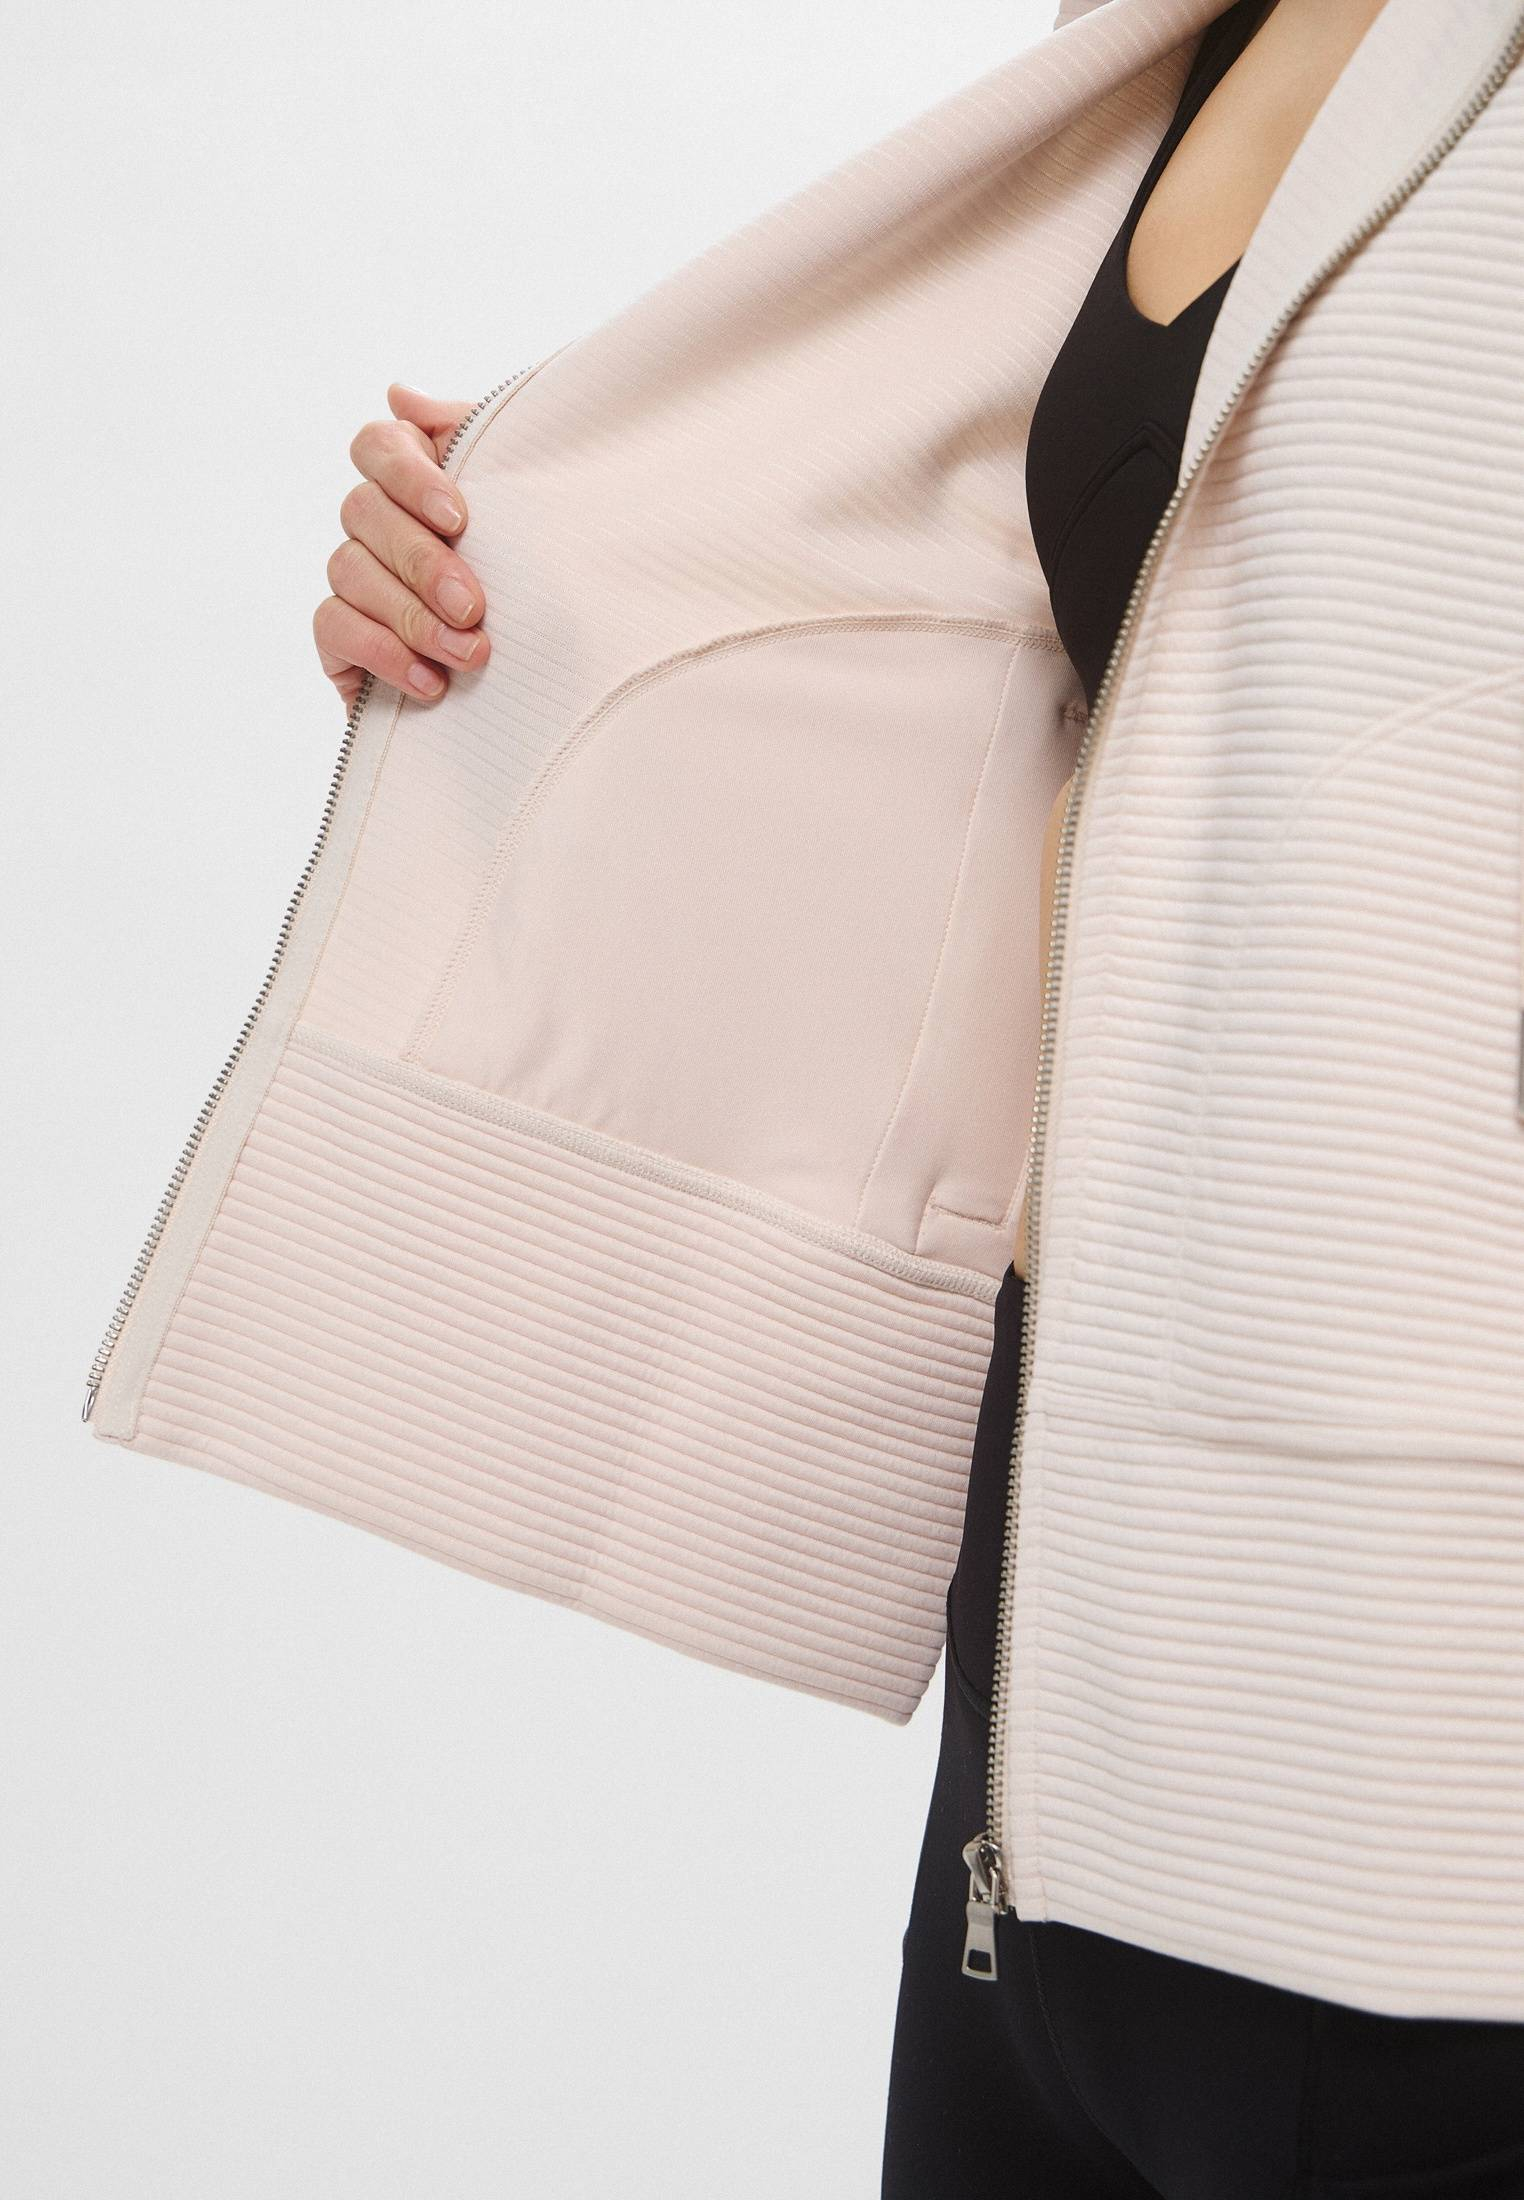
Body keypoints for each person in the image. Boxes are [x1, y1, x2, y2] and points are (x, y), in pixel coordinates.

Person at [90, 0, 1524, 2189]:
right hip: (1059, 1711)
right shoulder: (1206, 25)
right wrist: (524, 571)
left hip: (1419, 1750)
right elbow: (1102, 703)